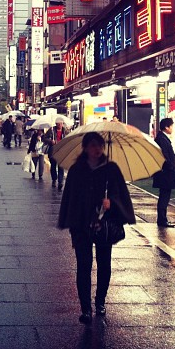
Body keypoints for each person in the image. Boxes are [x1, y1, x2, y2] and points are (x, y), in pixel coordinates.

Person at [58, 132, 136, 323]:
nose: (97, 149)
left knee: (104, 264)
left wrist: (113, 203)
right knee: (83, 266)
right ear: (85, 148)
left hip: (104, 225)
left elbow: (122, 195)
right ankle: (85, 308)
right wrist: (71, 225)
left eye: (99, 145)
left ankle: (100, 301)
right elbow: (70, 198)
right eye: (93, 145)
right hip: (82, 225)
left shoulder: (112, 169)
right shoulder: (77, 170)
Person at [152, 118, 175, 228]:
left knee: (164, 196)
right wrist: (171, 167)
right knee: (164, 196)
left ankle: (162, 219)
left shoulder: (162, 138)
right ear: (166, 127)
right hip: (165, 174)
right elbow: (164, 156)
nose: (172, 128)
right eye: (171, 126)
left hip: (164, 173)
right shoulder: (162, 139)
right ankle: (162, 220)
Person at [45, 121, 66, 190]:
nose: (60, 125)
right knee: (53, 166)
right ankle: (54, 179)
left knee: (61, 166)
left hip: (62, 151)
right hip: (53, 151)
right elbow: (44, 138)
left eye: (61, 123)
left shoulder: (65, 131)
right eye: (58, 124)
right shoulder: (51, 130)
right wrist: (51, 141)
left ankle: (60, 182)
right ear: (56, 124)